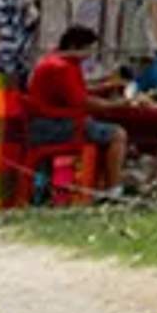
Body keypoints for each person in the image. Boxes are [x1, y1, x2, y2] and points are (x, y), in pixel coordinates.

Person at [18, 23, 122, 194]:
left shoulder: (56, 60)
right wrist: (116, 105)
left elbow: (76, 91)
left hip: (48, 123)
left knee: (102, 131)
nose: (89, 55)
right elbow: (82, 102)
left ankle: (102, 185)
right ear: (74, 46)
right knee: (118, 134)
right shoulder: (61, 67)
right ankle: (114, 190)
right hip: (53, 127)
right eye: (87, 50)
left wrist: (106, 86)